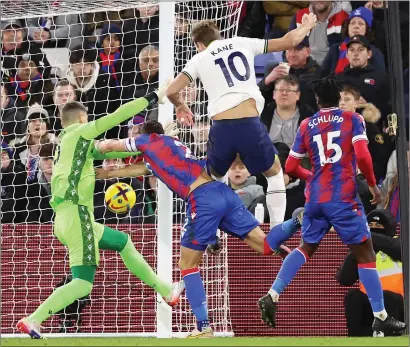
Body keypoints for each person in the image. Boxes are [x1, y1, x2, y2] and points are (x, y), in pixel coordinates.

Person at [95, 120, 293, 338]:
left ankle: (203, 325)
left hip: (201, 199)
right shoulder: (170, 149)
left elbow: (110, 146)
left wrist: (87, 145)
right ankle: (296, 221)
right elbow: (134, 169)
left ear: (146, 136)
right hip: (223, 191)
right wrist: (105, 174)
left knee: (187, 264)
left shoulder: (148, 139)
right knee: (265, 245)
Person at [16, 86, 182, 339]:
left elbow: (112, 150)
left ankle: (166, 291)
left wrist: (152, 145)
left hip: (67, 218)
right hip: (77, 215)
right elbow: (117, 115)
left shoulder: (68, 143)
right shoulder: (81, 133)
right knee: (82, 283)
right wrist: (154, 97)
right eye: (88, 118)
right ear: (82, 119)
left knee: (123, 242)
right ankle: (33, 319)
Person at [257, 77, 407, 336]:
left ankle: (273, 293)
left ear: (316, 100)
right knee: (366, 254)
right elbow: (362, 155)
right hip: (344, 197)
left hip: (315, 198)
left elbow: (291, 167)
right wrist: (372, 186)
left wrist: (313, 178)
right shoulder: (352, 119)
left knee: (306, 248)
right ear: (339, 98)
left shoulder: (306, 124)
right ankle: (380, 315)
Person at [166, 15, 317, 228]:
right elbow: (289, 41)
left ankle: (214, 234)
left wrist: (181, 106)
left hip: (221, 128)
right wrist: (307, 26)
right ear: (219, 36)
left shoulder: (199, 58)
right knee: (274, 174)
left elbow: (172, 90)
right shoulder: (241, 42)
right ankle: (275, 231)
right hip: (248, 123)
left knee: (214, 180)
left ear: (199, 44)